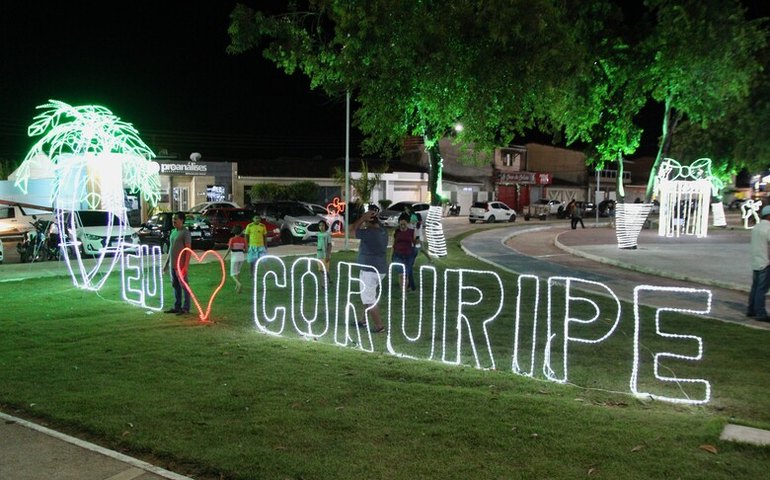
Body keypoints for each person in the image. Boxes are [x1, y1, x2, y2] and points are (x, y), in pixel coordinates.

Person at [352, 205, 388, 333]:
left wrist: (362, 218)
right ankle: (363, 320)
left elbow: (352, 230)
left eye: (366, 222)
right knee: (367, 295)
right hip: (380, 268)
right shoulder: (383, 231)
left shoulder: (369, 233)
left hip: (370, 270)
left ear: (368, 222)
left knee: (369, 298)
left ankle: (379, 326)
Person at [162, 211, 191, 315]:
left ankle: (186, 308)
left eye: (176, 219)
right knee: (175, 286)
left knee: (184, 286)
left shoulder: (185, 232)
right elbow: (171, 249)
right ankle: (177, 306)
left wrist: (185, 266)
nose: (173, 220)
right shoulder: (173, 232)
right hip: (172, 265)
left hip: (181, 265)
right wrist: (166, 263)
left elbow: (188, 250)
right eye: (173, 219)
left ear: (182, 220)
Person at [747, 205, 770, 322]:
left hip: (756, 261)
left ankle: (751, 310)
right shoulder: (768, 228)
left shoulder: (756, 227)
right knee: (762, 289)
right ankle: (760, 313)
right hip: (766, 262)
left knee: (755, 288)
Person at [391, 217, 416, 291]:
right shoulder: (396, 232)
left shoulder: (412, 232)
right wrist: (391, 256)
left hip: (409, 255)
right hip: (398, 255)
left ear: (407, 224)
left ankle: (406, 293)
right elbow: (393, 245)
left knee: (406, 275)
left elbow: (415, 244)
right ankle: (403, 293)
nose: (402, 225)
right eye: (401, 224)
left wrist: (414, 258)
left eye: (404, 224)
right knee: (401, 275)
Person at [223, 225, 247, 293]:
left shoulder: (232, 239)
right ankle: (237, 287)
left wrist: (224, 257)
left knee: (232, 273)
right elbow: (246, 250)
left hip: (235, 256)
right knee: (238, 271)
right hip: (241, 256)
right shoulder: (243, 240)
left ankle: (238, 284)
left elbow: (229, 249)